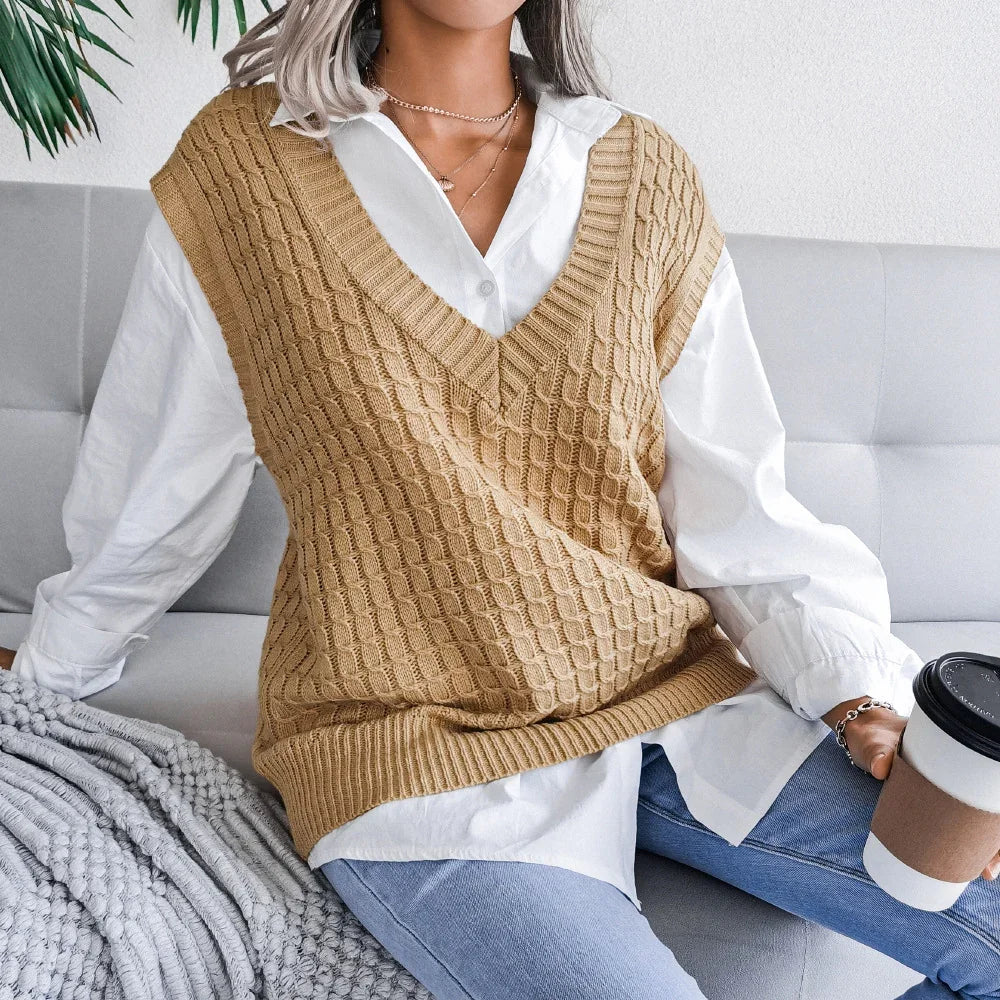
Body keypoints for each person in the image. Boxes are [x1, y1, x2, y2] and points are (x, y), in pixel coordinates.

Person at [4, 1, 1000, 997]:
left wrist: (857, 697)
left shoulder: (642, 172)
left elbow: (737, 506)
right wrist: (45, 677)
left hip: (670, 696)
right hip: (413, 748)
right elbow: (159, 477)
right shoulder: (246, 170)